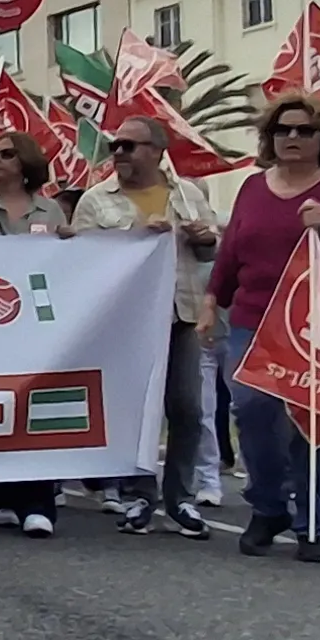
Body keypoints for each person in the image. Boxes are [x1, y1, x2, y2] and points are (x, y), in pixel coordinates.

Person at [205, 92, 320, 560]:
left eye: (304, 130)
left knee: (317, 421)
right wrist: (211, 301)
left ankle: (315, 522)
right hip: (255, 321)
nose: (292, 137)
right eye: (282, 130)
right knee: (252, 409)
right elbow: (231, 253)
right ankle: (268, 505)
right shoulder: (253, 187)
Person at [70, 113, 219, 538]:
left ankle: (181, 497)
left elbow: (211, 250)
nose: (118, 152)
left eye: (129, 146)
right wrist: (133, 235)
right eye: (114, 145)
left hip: (180, 315)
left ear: (156, 152)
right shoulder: (96, 200)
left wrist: (204, 238)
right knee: (136, 411)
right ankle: (139, 495)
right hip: (128, 322)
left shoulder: (187, 194)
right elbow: (82, 259)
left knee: (187, 408)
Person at [0, 130, 73, 536]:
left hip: (36, 326)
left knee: (35, 408)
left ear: (25, 163)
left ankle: (39, 502)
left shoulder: (50, 211)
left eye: (6, 154)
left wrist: (72, 244)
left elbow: (66, 266)